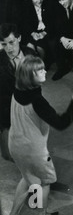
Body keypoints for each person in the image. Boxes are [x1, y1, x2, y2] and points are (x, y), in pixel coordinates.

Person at [7, 55, 73, 215]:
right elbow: (61, 123)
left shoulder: (17, 90)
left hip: (15, 145)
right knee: (43, 182)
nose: (45, 71)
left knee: (27, 177)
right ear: (30, 76)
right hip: (33, 151)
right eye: (39, 70)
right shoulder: (37, 101)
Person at [0, 23, 36, 161]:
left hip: (28, 108)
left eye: (11, 42)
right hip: (6, 111)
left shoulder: (30, 54)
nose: (8, 48)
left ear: (19, 38)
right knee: (8, 156)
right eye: (4, 44)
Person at [22, 0, 60, 68]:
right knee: (30, 46)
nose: (39, 1)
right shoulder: (26, 6)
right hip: (33, 31)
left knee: (40, 48)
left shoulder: (49, 4)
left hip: (46, 31)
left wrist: (44, 33)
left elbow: (53, 22)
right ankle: (31, 68)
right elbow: (25, 23)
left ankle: (41, 67)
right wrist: (32, 33)